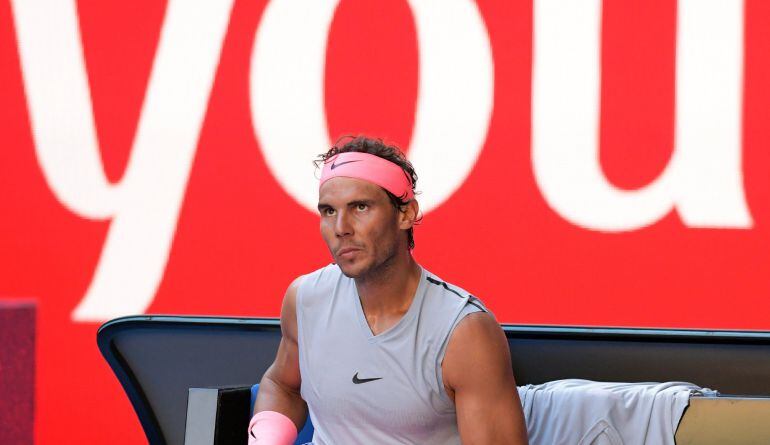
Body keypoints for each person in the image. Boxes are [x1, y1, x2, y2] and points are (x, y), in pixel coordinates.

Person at [250, 136, 528, 444]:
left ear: (406, 214)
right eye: (328, 211)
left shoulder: (465, 332)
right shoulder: (305, 299)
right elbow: (283, 386)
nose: (341, 227)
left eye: (360, 207)